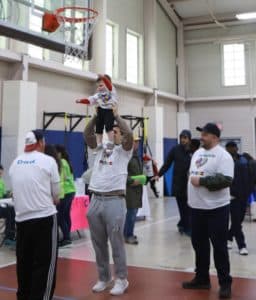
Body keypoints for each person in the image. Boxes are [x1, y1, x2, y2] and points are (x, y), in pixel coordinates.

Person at [84, 107, 133, 296]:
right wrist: (97, 115)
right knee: (98, 243)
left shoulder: (124, 152)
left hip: (114, 200)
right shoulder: (98, 150)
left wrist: (116, 115)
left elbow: (128, 133)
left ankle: (122, 278)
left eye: (116, 131)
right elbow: (87, 133)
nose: (112, 133)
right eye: (110, 130)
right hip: (96, 199)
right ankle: (104, 278)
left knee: (116, 242)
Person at [182, 123, 234, 299]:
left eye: (205, 134)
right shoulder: (197, 153)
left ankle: (225, 283)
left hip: (216, 209)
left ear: (215, 138)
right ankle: (202, 278)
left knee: (219, 247)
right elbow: (193, 173)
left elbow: (226, 180)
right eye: (202, 133)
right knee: (199, 245)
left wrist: (201, 182)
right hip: (197, 208)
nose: (202, 137)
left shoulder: (224, 156)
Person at [9, 130, 60, 300]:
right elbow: (57, 195)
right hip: (44, 219)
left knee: (24, 265)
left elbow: (15, 194)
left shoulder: (15, 163)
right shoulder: (48, 161)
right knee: (44, 267)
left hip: (22, 221)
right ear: (40, 142)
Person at [154, 129, 192, 235]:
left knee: (189, 208)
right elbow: (167, 164)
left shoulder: (193, 151)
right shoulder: (175, 150)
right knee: (183, 208)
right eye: (181, 138)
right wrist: (159, 174)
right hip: (178, 184)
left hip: (190, 185)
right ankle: (186, 228)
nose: (183, 140)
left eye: (185, 138)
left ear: (189, 139)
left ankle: (182, 225)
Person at [76, 74, 117, 153]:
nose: (99, 88)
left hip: (109, 110)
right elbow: (89, 100)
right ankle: (99, 143)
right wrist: (80, 101)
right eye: (98, 86)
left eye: (101, 85)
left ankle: (111, 142)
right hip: (100, 110)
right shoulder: (97, 95)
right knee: (98, 128)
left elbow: (109, 85)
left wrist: (103, 78)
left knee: (109, 126)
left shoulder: (111, 91)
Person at [225, 141, 253, 255]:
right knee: (237, 221)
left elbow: (251, 176)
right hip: (232, 196)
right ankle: (242, 245)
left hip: (244, 195)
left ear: (236, 148)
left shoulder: (244, 160)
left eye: (233, 147)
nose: (231, 150)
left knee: (239, 220)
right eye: (228, 148)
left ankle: (228, 237)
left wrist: (250, 191)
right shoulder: (225, 161)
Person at [55, 144, 76, 247]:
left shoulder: (62, 162)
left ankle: (66, 238)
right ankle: (67, 237)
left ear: (59, 153)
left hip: (66, 192)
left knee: (61, 216)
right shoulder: (67, 162)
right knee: (66, 215)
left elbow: (61, 179)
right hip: (71, 191)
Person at [124, 137, 143, 245]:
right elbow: (121, 174)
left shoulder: (136, 156)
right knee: (131, 214)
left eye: (138, 142)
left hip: (137, 189)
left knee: (133, 213)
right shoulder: (126, 157)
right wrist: (131, 181)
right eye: (135, 142)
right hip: (130, 189)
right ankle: (128, 235)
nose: (137, 144)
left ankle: (128, 232)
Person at [0, 164, 16, 246]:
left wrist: (8, 194)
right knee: (8, 212)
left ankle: (11, 235)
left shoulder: (2, 181)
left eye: (1, 173)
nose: (1, 174)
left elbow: (2, 194)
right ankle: (8, 236)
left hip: (2, 203)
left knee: (12, 210)